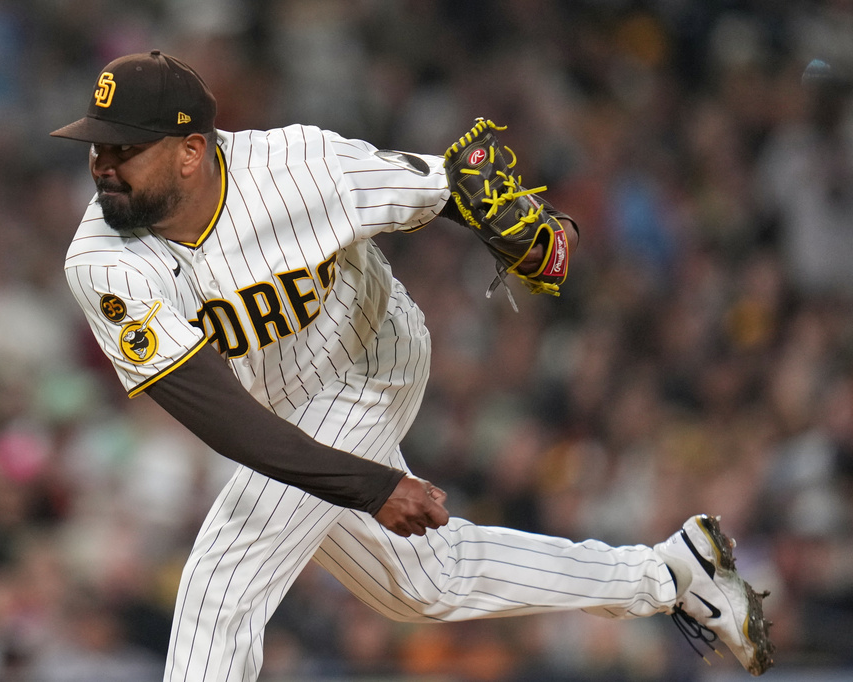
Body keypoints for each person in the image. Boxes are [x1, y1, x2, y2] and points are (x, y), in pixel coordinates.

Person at [51, 50, 774, 680]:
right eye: (96, 148)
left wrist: (549, 231)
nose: (102, 167)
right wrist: (371, 486)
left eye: (123, 151)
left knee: (221, 579)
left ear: (190, 150)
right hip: (271, 417)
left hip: (369, 364)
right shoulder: (102, 261)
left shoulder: (299, 168)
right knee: (423, 584)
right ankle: (673, 573)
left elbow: (448, 185)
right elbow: (218, 414)